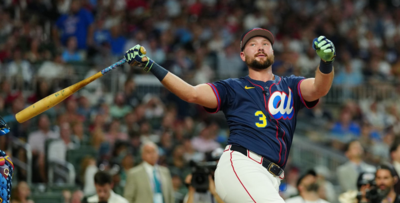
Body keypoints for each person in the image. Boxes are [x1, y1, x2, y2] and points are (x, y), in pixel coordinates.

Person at [124, 28, 336, 202]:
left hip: (271, 177)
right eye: (253, 44)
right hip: (242, 165)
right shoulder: (233, 87)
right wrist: (151, 65)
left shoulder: (290, 84)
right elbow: (191, 93)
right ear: (243, 56)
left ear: (272, 52)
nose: (260, 46)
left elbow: (319, 88)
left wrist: (326, 62)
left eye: (265, 43)